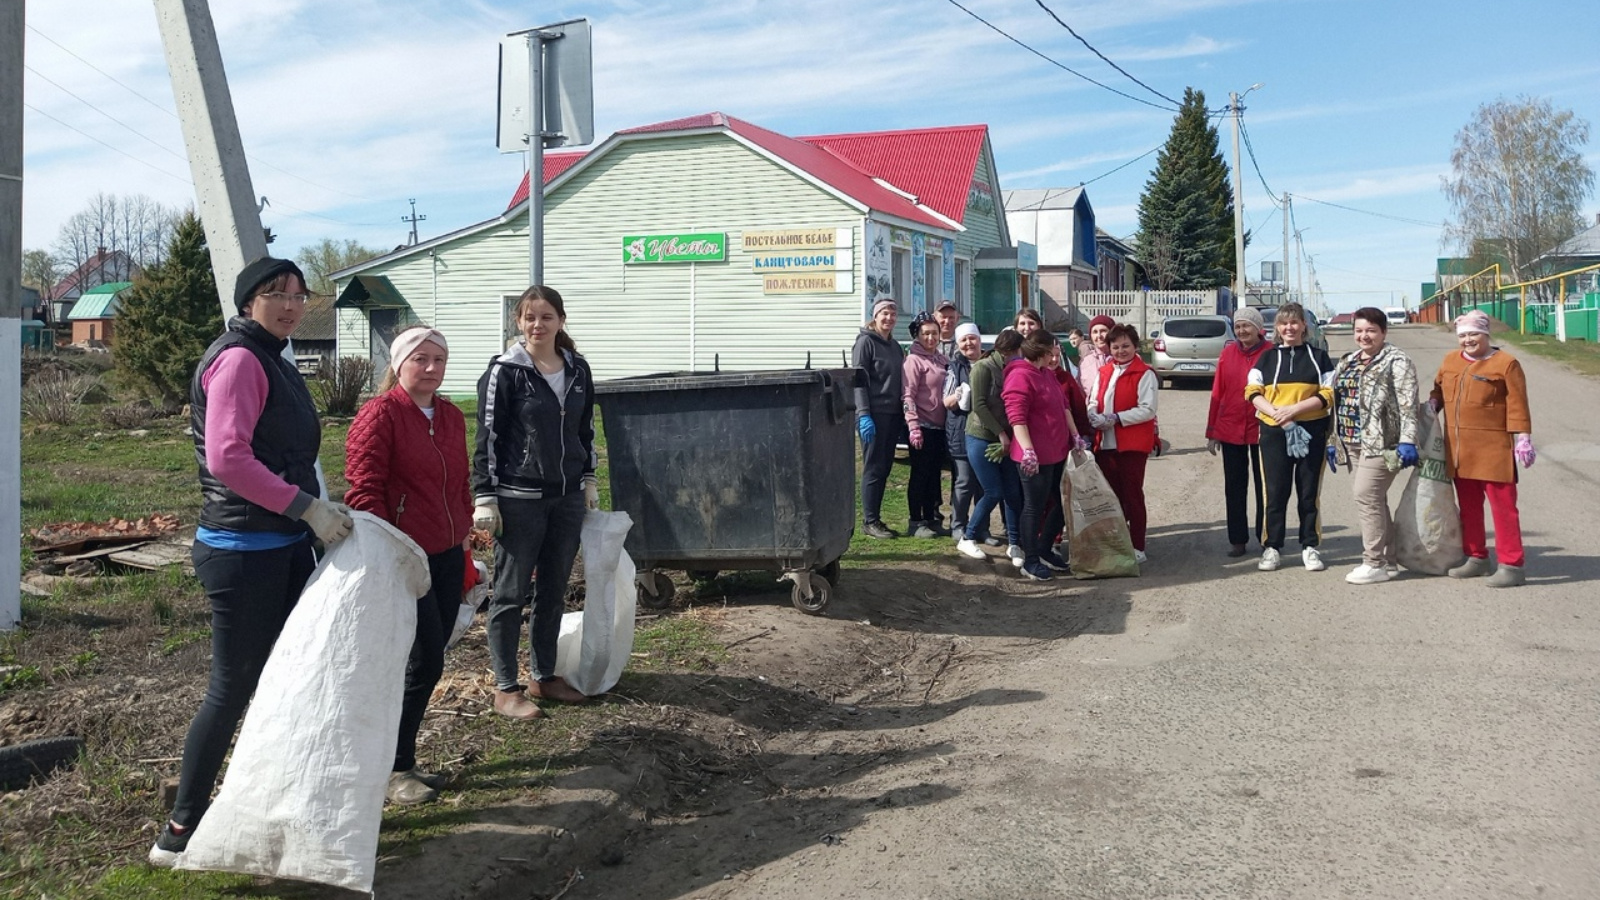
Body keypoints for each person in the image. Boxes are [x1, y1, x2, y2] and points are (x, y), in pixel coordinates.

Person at [150, 257, 354, 867]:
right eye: (275, 295)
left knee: (288, 678)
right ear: (247, 303)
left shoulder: (274, 356)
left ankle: (275, 804)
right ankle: (181, 827)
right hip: (243, 551)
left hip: (284, 543)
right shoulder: (239, 359)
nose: (290, 305)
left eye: (298, 294)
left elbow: (283, 452)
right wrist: (306, 508)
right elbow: (229, 460)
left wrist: (314, 508)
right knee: (233, 686)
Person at [344, 326, 475, 803]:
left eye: (439, 359)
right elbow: (363, 487)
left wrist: (463, 531)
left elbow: (459, 480)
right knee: (420, 661)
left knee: (429, 657)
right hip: (404, 559)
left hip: (443, 554)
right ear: (399, 364)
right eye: (421, 359)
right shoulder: (380, 415)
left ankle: (402, 759)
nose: (432, 368)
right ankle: (393, 769)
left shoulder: (451, 416)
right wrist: (390, 549)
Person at [473, 285, 598, 720]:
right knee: (509, 593)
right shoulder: (505, 372)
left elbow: (585, 431)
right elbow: (486, 437)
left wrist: (587, 479)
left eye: (546, 317)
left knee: (554, 590)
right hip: (518, 499)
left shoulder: (578, 370)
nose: (537, 325)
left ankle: (543, 676)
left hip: (565, 499)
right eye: (529, 317)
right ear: (518, 322)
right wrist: (484, 496)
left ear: (561, 321)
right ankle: (506, 687)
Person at [1429, 310, 1535, 587]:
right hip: (1460, 453)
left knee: (1504, 511)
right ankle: (1476, 557)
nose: (1468, 340)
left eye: (1474, 334)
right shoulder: (1450, 361)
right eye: (1463, 335)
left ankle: (1512, 566)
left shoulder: (1506, 364)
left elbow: (1517, 403)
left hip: (1494, 451)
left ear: (1486, 334)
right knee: (1469, 509)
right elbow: (1438, 390)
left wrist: (1522, 436)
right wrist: (1432, 405)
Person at [1328, 308, 1420, 585]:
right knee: (1375, 500)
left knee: (1365, 497)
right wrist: (1333, 440)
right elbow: (1339, 401)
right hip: (1353, 442)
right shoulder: (1349, 360)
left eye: (1370, 330)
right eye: (1358, 330)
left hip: (1383, 444)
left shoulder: (1397, 361)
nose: (1363, 336)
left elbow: (1408, 404)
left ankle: (1374, 563)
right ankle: (1390, 561)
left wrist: (1407, 440)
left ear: (1383, 332)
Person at [1245, 302, 1335, 572]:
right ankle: (1272, 546)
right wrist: (1277, 414)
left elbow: (1328, 394)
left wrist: (1295, 409)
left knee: (1308, 493)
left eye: (1294, 322)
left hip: (1312, 432)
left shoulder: (1319, 357)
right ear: (1277, 328)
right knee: (1275, 492)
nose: (1289, 328)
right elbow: (1252, 392)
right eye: (1284, 323)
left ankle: (1310, 546)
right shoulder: (1266, 358)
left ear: (1304, 325)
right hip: (1274, 433)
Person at [1004, 330, 1078, 580]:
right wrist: (1028, 451)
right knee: (1033, 507)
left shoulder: (1046, 374)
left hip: (1056, 451)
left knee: (1061, 502)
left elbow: (1063, 405)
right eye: (1052, 351)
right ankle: (1030, 559)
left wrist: (1075, 435)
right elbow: (1017, 418)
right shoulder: (1020, 377)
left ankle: (1045, 547)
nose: (1055, 355)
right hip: (1034, 455)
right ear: (1042, 352)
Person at [1206, 306, 1273, 557]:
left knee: (1264, 485)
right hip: (1230, 427)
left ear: (1258, 329)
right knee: (1234, 486)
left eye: (1247, 326)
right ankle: (1237, 539)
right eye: (1238, 326)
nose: (1242, 330)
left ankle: (1266, 536)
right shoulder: (1227, 353)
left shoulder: (1272, 353)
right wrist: (1212, 430)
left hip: (1263, 427)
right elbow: (1217, 392)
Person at [1088, 324, 1158, 564]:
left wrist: (1116, 418)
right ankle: (1116, 542)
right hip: (1105, 444)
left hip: (1132, 444)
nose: (1120, 351)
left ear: (1136, 347)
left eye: (1126, 346)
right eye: (1115, 346)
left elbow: (1147, 410)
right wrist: (1093, 414)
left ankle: (1138, 545)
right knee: (1111, 496)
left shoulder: (1144, 373)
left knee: (1132, 495)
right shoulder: (1105, 371)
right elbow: (1093, 399)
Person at [962, 329, 1026, 566]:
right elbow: (978, 405)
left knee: (1012, 491)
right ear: (1011, 350)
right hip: (981, 437)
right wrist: (1000, 433)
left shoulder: (1014, 369)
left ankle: (1015, 543)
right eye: (1020, 351)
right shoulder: (983, 367)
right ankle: (968, 537)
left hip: (1006, 439)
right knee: (993, 491)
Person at [853, 299, 906, 539]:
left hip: (893, 415)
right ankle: (869, 521)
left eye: (893, 314)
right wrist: (863, 413)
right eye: (885, 313)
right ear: (875, 316)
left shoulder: (894, 345)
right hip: (874, 414)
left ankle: (876, 518)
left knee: (884, 467)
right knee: (873, 467)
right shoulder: (865, 342)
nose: (889, 318)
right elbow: (858, 381)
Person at [903, 312, 951, 537]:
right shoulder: (913, 361)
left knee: (934, 474)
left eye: (934, 333)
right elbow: (907, 395)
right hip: (922, 426)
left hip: (940, 427)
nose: (930, 338)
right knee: (920, 475)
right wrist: (913, 425)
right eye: (925, 334)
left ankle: (932, 517)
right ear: (917, 335)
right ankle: (916, 521)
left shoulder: (942, 360)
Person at [944, 323, 988, 548]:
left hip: (985, 432)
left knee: (984, 482)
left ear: (979, 340)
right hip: (961, 431)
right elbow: (946, 401)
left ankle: (982, 528)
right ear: (958, 344)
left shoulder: (989, 364)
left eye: (972, 338)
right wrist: (958, 395)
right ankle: (958, 525)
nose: (969, 343)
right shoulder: (954, 367)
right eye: (964, 340)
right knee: (964, 481)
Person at [1078, 314, 1114, 399]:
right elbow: (1080, 392)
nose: (1099, 336)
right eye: (1095, 332)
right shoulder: (1085, 362)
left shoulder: (1122, 358)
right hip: (1092, 410)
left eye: (1103, 331)